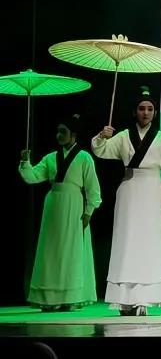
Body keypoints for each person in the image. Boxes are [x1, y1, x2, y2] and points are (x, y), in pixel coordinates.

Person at [92, 86, 161, 316]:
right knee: (127, 243)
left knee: (149, 244)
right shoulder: (123, 136)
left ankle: (145, 299)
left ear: (155, 113)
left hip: (152, 192)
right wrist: (102, 136)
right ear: (135, 111)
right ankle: (124, 300)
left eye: (150, 109)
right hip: (129, 192)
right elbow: (101, 151)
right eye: (142, 109)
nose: (146, 113)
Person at [18, 113, 101, 311]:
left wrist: (89, 211)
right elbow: (33, 177)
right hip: (54, 205)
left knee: (71, 251)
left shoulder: (84, 157)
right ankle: (49, 297)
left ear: (73, 134)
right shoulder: (50, 158)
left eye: (63, 132)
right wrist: (25, 162)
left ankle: (70, 297)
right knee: (51, 250)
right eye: (58, 132)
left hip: (74, 206)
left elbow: (93, 189)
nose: (59, 135)